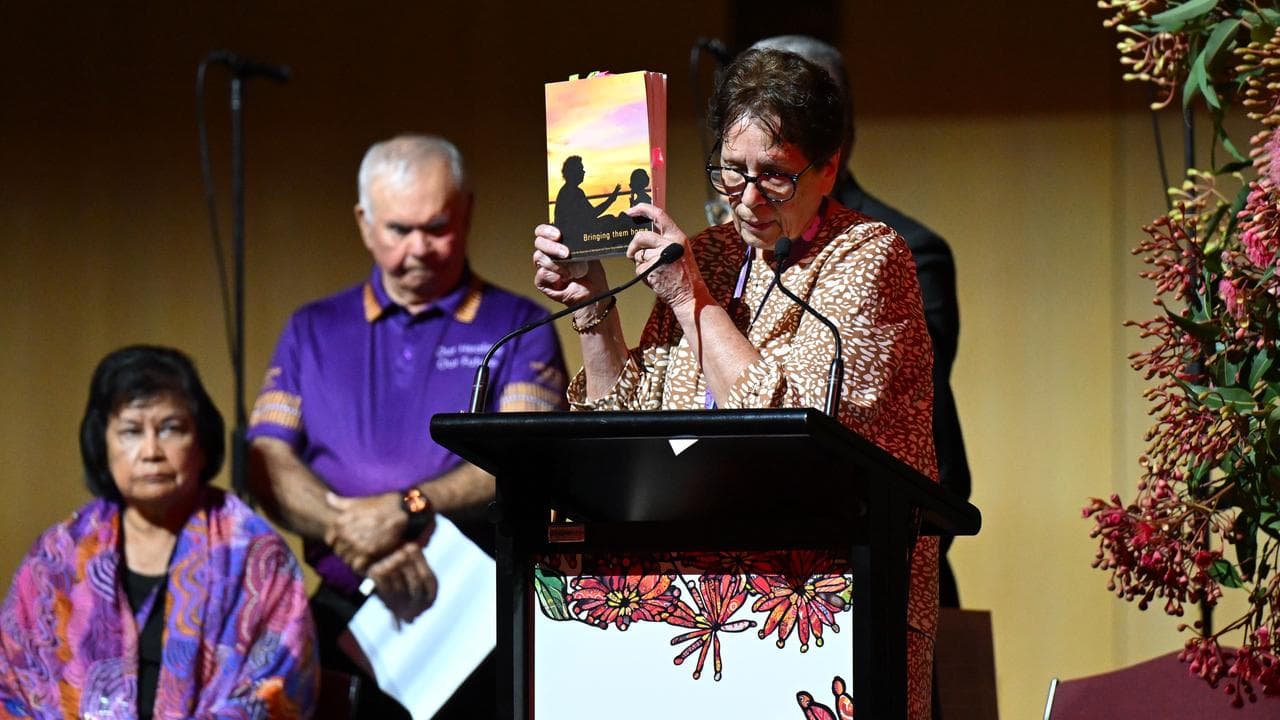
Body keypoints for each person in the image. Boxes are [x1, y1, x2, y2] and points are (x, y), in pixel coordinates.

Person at [533, 48, 940, 719]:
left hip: (829, 600)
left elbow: (795, 423)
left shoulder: (870, 256)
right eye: (732, 171)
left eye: (775, 177)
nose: (747, 200)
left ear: (829, 167)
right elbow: (629, 417)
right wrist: (592, 306)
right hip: (693, 601)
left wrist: (688, 296)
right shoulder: (712, 253)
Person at [247, 134, 568, 719]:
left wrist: (405, 508)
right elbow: (266, 459)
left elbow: (526, 460)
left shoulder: (521, 326)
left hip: (479, 619)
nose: (419, 248)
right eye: (399, 230)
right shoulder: (310, 329)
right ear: (364, 223)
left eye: (438, 225)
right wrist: (358, 536)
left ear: (467, 211)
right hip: (342, 613)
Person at [753, 34, 971, 610]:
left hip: (879, 554)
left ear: (835, 135)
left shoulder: (903, 250)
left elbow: (859, 404)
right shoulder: (730, 250)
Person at [0, 345, 317, 720]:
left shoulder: (255, 554)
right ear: (103, 446)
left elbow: (277, 688)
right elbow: (12, 684)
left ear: (201, 444)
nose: (151, 451)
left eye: (171, 429)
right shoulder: (59, 554)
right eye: (131, 431)